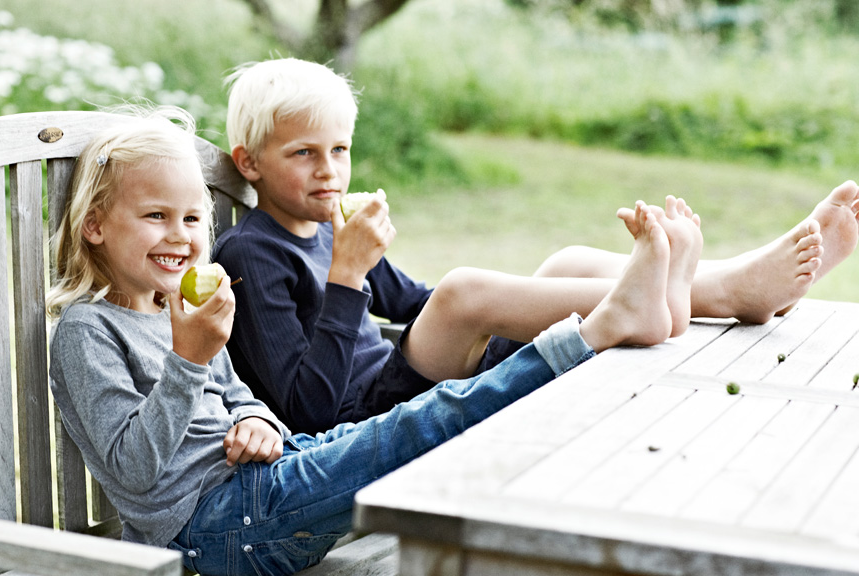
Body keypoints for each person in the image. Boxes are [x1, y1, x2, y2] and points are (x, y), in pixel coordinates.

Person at [46, 104, 695, 576]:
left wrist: (255, 423)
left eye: (192, 217)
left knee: (423, 421)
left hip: (268, 478)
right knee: (423, 426)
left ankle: (607, 338)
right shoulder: (87, 332)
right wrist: (189, 360)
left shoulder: (179, 311)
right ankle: (594, 332)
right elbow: (134, 470)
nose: (181, 235)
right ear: (95, 227)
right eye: (155, 216)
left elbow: (238, 394)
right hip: (213, 531)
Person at [214, 57, 859, 434]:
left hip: (394, 380)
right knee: (465, 292)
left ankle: (720, 283)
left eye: (339, 149)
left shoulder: (331, 228)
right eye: (303, 154)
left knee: (562, 265)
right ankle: (703, 293)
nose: (329, 170)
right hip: (355, 423)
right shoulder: (251, 254)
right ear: (249, 163)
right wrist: (349, 276)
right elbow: (305, 408)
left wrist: (515, 302)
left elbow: (411, 300)